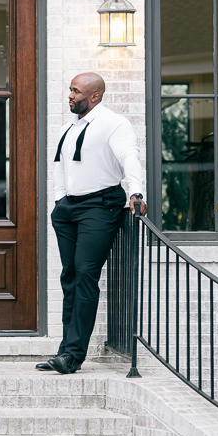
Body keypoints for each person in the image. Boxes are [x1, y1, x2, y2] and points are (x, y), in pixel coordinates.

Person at [37, 73, 147, 375]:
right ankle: (65, 349)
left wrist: (136, 191)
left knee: (86, 274)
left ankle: (73, 356)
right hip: (69, 209)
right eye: (70, 90)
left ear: (95, 96)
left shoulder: (114, 124)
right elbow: (59, 164)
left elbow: (129, 156)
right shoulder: (68, 127)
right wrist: (60, 200)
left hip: (100, 205)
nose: (70, 96)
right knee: (70, 276)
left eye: (76, 91)